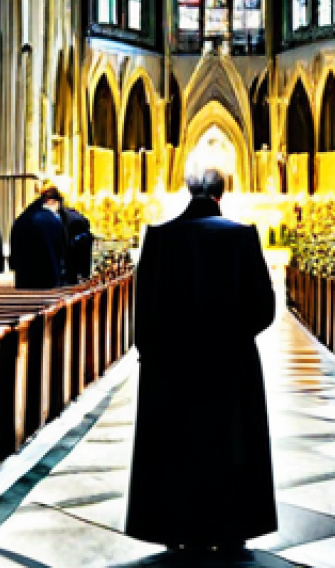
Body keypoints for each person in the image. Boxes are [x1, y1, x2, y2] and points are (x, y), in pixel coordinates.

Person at [125, 164, 276, 552]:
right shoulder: (242, 236)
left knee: (176, 443)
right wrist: (234, 338)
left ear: (187, 191)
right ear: (222, 195)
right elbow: (264, 307)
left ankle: (177, 527)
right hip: (230, 366)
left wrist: (154, 353)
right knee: (232, 443)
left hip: (172, 367)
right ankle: (231, 527)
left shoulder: (160, 237)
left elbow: (143, 309)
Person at [9, 186, 68, 288]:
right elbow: (62, 248)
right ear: (52, 202)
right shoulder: (54, 221)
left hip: (24, 277)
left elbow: (14, 245)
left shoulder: (22, 218)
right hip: (49, 276)